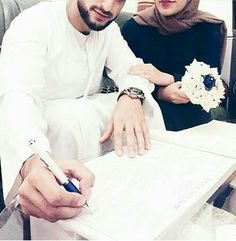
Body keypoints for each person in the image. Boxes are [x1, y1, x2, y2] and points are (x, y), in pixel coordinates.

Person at [0, 0, 165, 239]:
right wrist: (32, 163)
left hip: (83, 123)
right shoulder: (33, 22)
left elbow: (134, 70)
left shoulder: (108, 29)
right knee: (68, 119)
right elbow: (18, 95)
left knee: (139, 109)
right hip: (40, 131)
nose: (108, 6)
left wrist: (131, 95)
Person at [122, 0, 227, 131]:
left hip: (193, 122)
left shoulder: (209, 27)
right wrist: (159, 93)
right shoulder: (134, 27)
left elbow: (210, 83)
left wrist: (170, 78)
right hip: (144, 118)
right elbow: (121, 78)